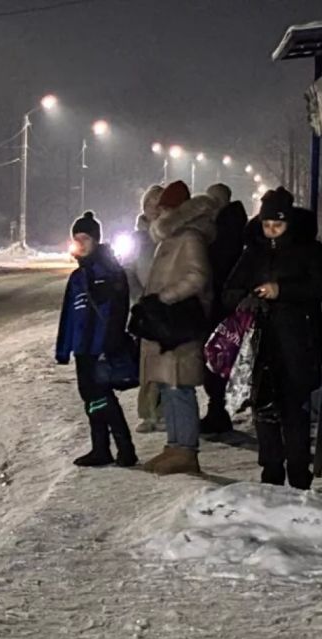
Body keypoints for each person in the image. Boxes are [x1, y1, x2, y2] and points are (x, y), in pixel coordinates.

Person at [223, 188, 322, 490]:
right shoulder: (253, 251)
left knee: (294, 410)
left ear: (289, 223)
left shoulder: (309, 250)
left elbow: (320, 285)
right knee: (264, 410)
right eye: (266, 224)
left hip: (298, 341)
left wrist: (282, 291)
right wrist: (246, 299)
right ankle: (270, 472)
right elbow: (230, 288)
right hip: (261, 344)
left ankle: (299, 475)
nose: (271, 230)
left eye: (278, 225)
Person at [139, 181, 217, 475]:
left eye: (163, 208)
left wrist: (164, 298)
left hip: (179, 326)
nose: (157, 214)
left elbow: (197, 277)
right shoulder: (173, 237)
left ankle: (186, 449)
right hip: (166, 328)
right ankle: (174, 445)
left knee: (179, 387)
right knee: (169, 387)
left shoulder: (189, 238)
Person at [55, 211, 138, 468]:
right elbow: (68, 315)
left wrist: (110, 343)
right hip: (82, 348)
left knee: (103, 396)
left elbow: (119, 309)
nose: (81, 243)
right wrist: (63, 349)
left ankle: (125, 449)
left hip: (101, 346)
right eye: (76, 238)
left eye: (85, 238)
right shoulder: (77, 277)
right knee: (90, 397)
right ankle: (100, 448)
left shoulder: (110, 272)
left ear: (96, 240)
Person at [200, 183, 249, 435]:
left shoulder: (224, 230)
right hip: (225, 302)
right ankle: (217, 410)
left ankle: (218, 411)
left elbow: (219, 266)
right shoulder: (234, 224)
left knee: (217, 357)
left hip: (221, 303)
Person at [129, 185, 166, 434]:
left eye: (158, 202)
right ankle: (149, 412)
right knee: (147, 361)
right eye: (149, 203)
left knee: (167, 360)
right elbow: (128, 270)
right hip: (144, 304)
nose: (153, 207)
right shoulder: (136, 237)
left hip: (167, 303)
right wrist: (137, 298)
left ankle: (164, 411)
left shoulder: (170, 233)